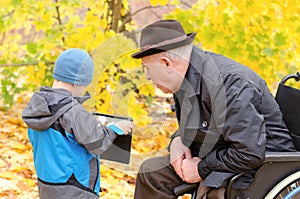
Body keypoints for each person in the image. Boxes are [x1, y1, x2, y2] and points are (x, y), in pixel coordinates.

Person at [131, 20, 296, 199]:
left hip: (262, 165)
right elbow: (199, 124)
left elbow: (249, 152)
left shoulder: (229, 85)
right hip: (219, 151)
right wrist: (178, 141)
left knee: (211, 192)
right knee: (151, 174)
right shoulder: (183, 78)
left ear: (166, 64)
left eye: (147, 69)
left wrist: (200, 169)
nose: (147, 76)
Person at [22, 48, 134, 199]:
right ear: (78, 83)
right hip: (76, 188)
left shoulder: (37, 106)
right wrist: (115, 129)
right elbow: (98, 142)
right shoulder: (73, 111)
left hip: (47, 187)